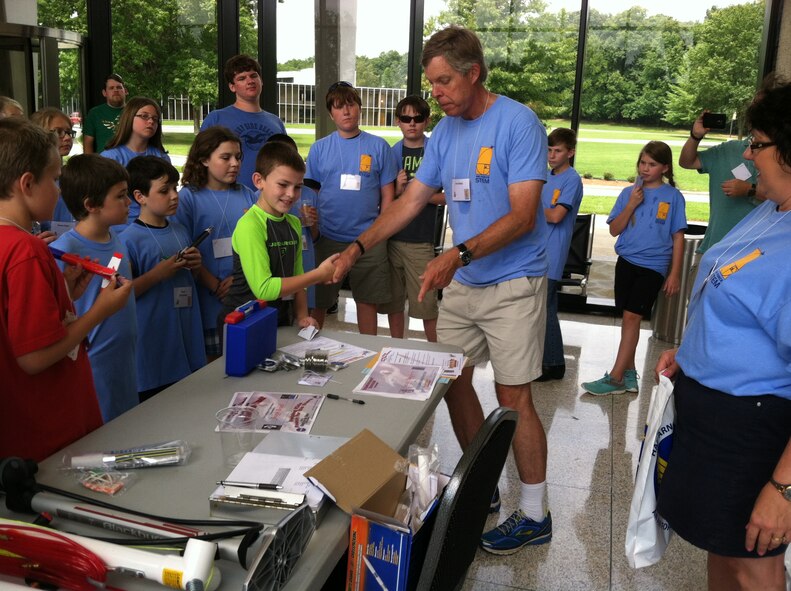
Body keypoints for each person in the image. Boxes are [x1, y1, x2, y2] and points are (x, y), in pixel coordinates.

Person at [332, 26, 552, 555]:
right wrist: (356, 248)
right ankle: (484, 484)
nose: (437, 94)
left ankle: (537, 511)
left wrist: (457, 254)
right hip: (466, 282)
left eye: (445, 82)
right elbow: (409, 203)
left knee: (512, 395)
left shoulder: (518, 124)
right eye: (432, 84)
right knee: (450, 380)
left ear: (473, 73)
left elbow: (524, 216)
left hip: (513, 283)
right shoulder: (447, 133)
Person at [655, 81, 791, 591]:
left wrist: (783, 490)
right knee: (720, 543)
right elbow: (732, 293)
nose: (749, 156)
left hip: (755, 427)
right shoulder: (772, 209)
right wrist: (691, 353)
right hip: (711, 410)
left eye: (758, 144)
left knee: (752, 561)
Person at [0, 118, 132, 461]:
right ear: (27, 184)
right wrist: (98, 311)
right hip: (46, 432)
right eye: (55, 181)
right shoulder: (25, 250)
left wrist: (64, 295)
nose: (59, 192)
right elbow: (32, 357)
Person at [581, 141, 686, 395]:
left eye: (652, 164)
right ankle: (629, 375)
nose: (645, 168)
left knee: (632, 317)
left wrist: (674, 274)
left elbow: (678, 237)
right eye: (642, 163)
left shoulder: (673, 197)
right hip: (626, 262)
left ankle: (615, 377)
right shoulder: (628, 193)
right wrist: (631, 205)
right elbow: (615, 229)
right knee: (629, 321)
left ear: (664, 167)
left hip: (654, 266)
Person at [306, 81, 397, 335]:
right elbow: (311, 194)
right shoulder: (319, 148)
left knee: (367, 301)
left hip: (368, 240)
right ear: (330, 113)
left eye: (350, 104)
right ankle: (310, 348)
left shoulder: (379, 147)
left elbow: (387, 195)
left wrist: (379, 233)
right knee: (319, 303)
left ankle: (368, 359)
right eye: (338, 107)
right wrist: (313, 230)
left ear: (359, 107)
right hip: (328, 238)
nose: (346, 111)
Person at [52, 154, 138, 422]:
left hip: (124, 360)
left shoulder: (117, 237)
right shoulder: (65, 252)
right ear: (91, 204)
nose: (129, 203)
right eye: (121, 196)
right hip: (95, 366)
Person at [221, 141, 337, 329]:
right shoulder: (250, 225)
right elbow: (264, 289)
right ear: (259, 181)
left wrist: (301, 316)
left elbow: (298, 277)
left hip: (278, 318)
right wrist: (318, 275)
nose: (291, 194)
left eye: (298, 187)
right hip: (242, 324)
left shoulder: (293, 223)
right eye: (283, 185)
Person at [119, 156, 205, 402]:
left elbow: (191, 280)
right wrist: (158, 274)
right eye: (164, 191)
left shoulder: (180, 230)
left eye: (175, 188)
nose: (174, 196)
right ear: (140, 196)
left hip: (187, 337)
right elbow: (123, 295)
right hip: (155, 344)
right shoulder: (128, 240)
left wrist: (196, 267)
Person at [174, 126, 257, 360]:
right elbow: (184, 249)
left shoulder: (247, 194)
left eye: (238, 157)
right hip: (208, 299)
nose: (235, 163)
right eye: (226, 157)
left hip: (243, 293)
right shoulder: (188, 198)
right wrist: (214, 284)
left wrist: (239, 281)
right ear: (204, 160)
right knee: (214, 364)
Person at [378, 95, 444, 342]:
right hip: (394, 237)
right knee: (394, 302)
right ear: (398, 121)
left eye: (417, 118)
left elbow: (448, 196)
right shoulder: (391, 153)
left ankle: (435, 350)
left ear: (426, 121)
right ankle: (397, 346)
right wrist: (397, 191)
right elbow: (384, 199)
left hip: (421, 239)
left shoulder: (434, 152)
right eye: (406, 118)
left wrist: (419, 194)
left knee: (426, 302)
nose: (412, 123)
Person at [679, 110, 760, 295]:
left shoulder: (780, 158)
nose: (748, 155)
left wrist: (749, 189)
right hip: (712, 250)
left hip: (749, 257)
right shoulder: (728, 150)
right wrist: (695, 136)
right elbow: (686, 161)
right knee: (696, 314)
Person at [536, 127, 583, 382]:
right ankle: (547, 359)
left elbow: (555, 215)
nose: (552, 155)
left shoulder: (571, 180)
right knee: (542, 308)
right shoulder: (544, 175)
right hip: (535, 251)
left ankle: (554, 363)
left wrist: (529, 210)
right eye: (549, 150)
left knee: (545, 308)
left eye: (558, 151)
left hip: (552, 254)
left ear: (570, 152)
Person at [200, 55, 286, 192]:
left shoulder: (276, 123)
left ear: (261, 81)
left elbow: (286, 164)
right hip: (229, 199)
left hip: (269, 200)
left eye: (253, 76)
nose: (250, 81)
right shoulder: (216, 118)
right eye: (242, 78)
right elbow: (200, 162)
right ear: (232, 87)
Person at [101, 97, 171, 225]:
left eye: (155, 119)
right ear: (129, 117)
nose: (150, 121)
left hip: (157, 223)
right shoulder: (110, 158)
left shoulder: (162, 157)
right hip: (122, 226)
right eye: (144, 116)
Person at [30, 107, 77, 238]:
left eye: (69, 132)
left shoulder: (71, 174)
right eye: (58, 132)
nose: (67, 137)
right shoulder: (32, 178)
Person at [82, 74, 128, 154]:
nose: (116, 90)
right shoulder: (94, 113)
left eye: (119, 87)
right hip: (104, 164)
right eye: (111, 88)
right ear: (104, 93)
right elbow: (88, 143)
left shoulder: (134, 111)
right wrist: (89, 165)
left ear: (126, 91)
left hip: (130, 162)